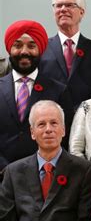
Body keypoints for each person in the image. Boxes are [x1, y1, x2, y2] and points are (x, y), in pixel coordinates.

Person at [0, 20, 73, 173]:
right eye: (18, 45)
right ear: (9, 49)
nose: (24, 51)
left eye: (32, 46)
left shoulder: (58, 91)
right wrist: (5, 169)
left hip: (44, 175)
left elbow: (65, 137)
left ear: (40, 50)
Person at [39, 0, 91, 109]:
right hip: (50, 119)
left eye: (69, 5)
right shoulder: (41, 48)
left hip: (87, 119)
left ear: (82, 12)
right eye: (58, 6)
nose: (63, 9)